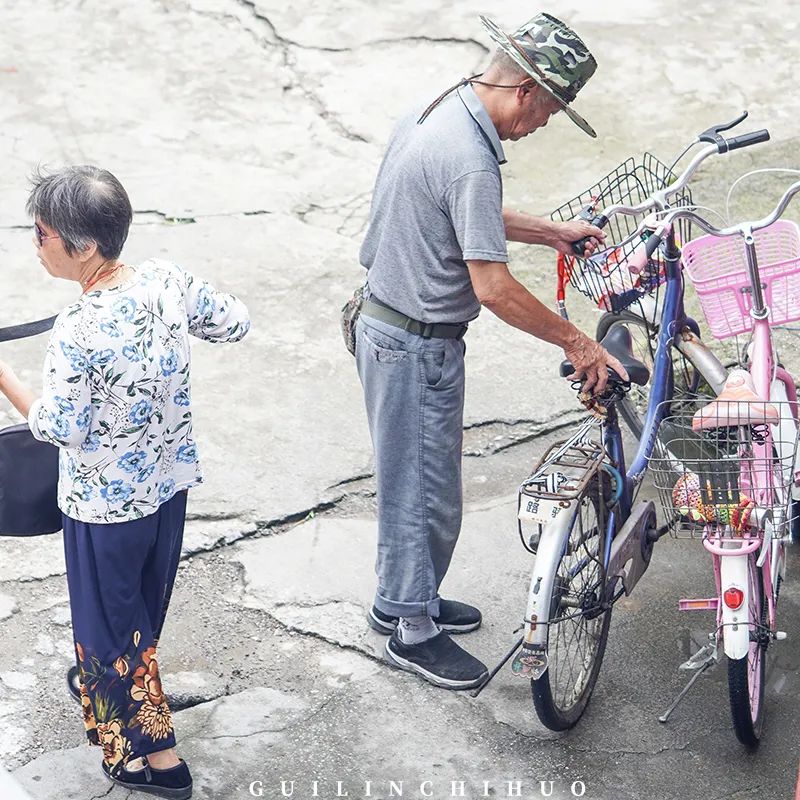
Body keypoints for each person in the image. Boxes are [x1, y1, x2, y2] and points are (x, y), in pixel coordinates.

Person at [355, 12, 628, 690]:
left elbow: (459, 206)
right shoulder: (473, 156)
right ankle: (412, 633)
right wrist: (579, 341)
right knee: (425, 496)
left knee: (413, 485)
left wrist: (549, 231)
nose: (543, 127)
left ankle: (400, 600)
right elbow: (494, 288)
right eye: (552, 111)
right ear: (528, 91)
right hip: (415, 344)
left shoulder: (442, 106)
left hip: (384, 321)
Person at [0, 165, 250, 799]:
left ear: (83, 246)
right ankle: (107, 692)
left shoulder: (78, 331)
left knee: (110, 631)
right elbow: (233, 321)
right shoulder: (165, 280)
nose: (36, 243)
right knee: (137, 617)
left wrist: (3, 375)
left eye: (42, 232)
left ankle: (151, 761)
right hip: (167, 487)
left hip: (104, 507)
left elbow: (58, 428)